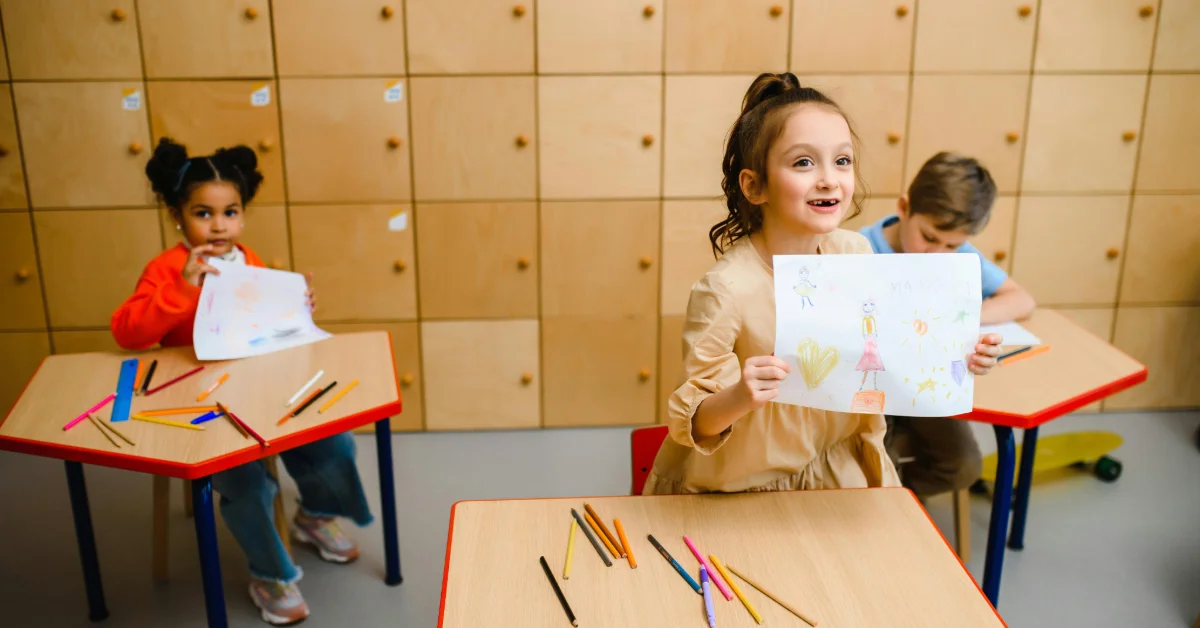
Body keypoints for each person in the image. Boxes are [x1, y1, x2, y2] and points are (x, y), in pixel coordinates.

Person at [644, 73, 1004, 495]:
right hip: (746, 488)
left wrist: (957, 354)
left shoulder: (853, 253)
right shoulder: (726, 290)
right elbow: (696, 422)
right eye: (803, 162)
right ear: (754, 185)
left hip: (838, 470)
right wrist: (743, 393)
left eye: (842, 160)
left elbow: (892, 348)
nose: (830, 179)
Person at [111, 138, 373, 626]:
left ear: (242, 215)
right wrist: (182, 288)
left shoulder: (248, 258)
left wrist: (295, 307)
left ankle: (314, 514)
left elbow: (259, 323)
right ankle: (269, 573)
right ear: (176, 215)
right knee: (247, 481)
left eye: (230, 212)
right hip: (195, 398)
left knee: (334, 441)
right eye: (202, 213)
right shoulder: (167, 269)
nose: (218, 225)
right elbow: (127, 332)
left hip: (258, 386)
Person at [860, 151, 1037, 497]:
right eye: (927, 238)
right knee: (874, 466)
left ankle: (904, 505)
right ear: (903, 207)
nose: (937, 254)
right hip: (873, 392)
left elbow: (1022, 300)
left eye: (952, 245)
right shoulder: (859, 249)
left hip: (927, 389)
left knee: (964, 465)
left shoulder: (961, 257)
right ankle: (886, 506)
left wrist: (964, 313)